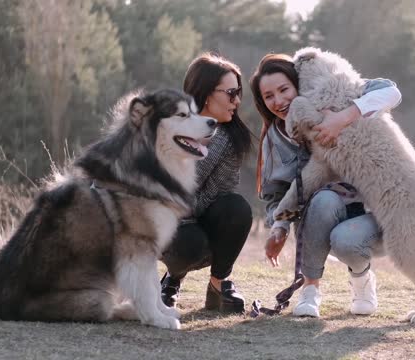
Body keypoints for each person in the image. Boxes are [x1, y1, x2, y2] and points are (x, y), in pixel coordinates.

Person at [250, 53, 402, 317]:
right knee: (323, 199)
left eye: (284, 89)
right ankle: (310, 291)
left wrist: (343, 117)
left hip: (367, 211)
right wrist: (279, 226)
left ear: (299, 83)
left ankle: (361, 278)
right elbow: (275, 194)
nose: (279, 101)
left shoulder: (339, 94)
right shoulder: (275, 138)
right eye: (269, 96)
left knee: (346, 238)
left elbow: (391, 92)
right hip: (316, 216)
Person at [160, 53, 253, 314]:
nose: (237, 101)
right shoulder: (168, 129)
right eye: (231, 92)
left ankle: (218, 285)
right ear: (205, 92)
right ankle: (171, 280)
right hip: (163, 224)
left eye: (239, 92)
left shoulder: (230, 139)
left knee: (236, 208)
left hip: (197, 216)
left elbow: (221, 195)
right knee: (189, 242)